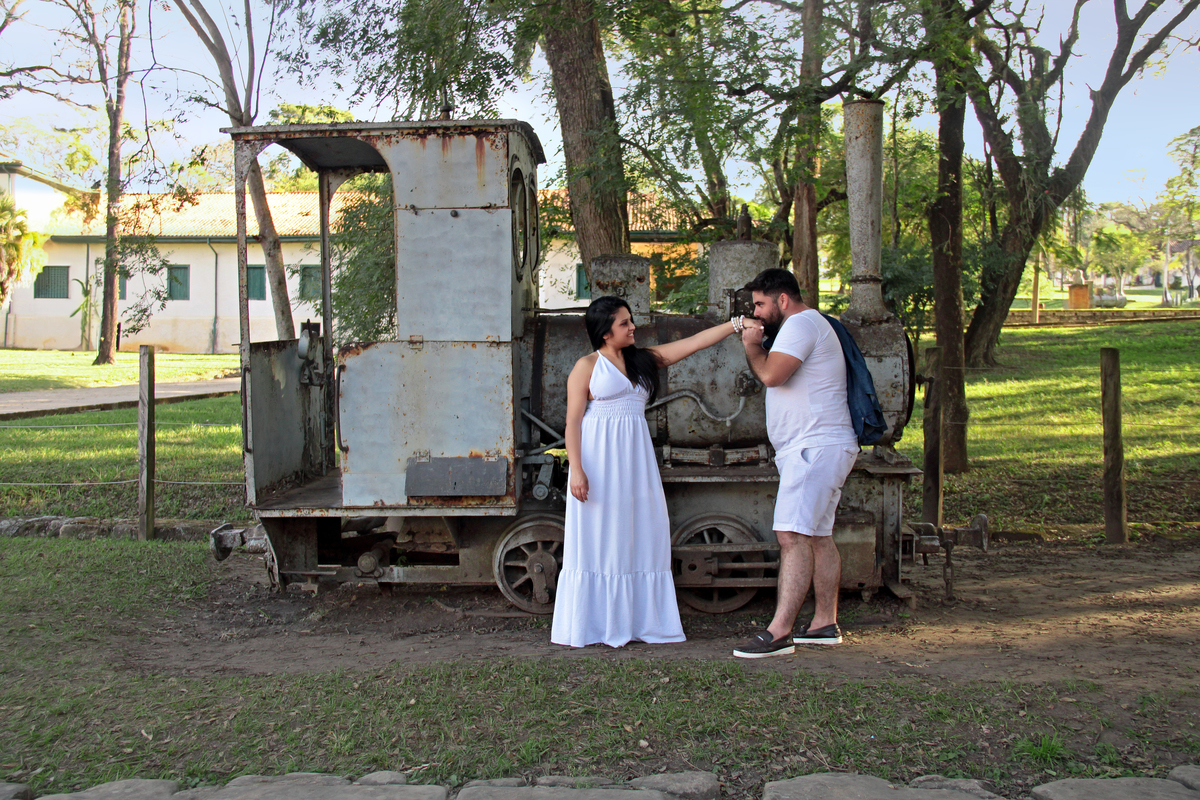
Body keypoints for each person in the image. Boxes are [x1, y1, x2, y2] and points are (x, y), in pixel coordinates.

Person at [551, 296, 761, 648]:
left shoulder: (642, 360)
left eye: (630, 320)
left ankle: (641, 622)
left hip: (635, 460)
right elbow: (572, 423)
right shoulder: (586, 366)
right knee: (602, 538)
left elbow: (694, 343)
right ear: (605, 332)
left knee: (642, 532)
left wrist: (736, 324)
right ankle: (596, 625)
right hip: (598, 461)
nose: (632, 326)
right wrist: (577, 470)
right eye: (624, 323)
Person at [732, 268, 859, 658]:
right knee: (817, 536)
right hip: (817, 448)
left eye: (760, 304)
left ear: (782, 299)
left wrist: (752, 346)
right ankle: (823, 624)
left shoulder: (800, 324)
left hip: (813, 449)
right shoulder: (809, 324)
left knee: (791, 535)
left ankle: (779, 633)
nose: (756, 312)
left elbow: (772, 375)